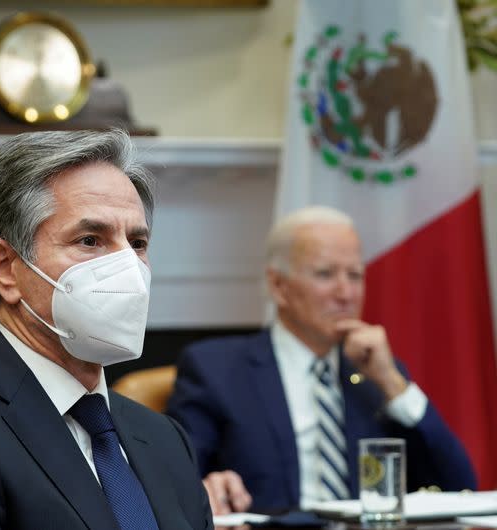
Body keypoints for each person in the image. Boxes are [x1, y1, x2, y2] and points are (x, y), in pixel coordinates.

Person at [0, 129, 213, 530]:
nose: (129, 269)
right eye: (90, 240)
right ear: (3, 268)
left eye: (136, 243)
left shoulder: (166, 438)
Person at [166, 206, 476, 515]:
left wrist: (395, 385)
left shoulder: (375, 377)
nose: (346, 293)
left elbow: (460, 488)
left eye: (355, 275)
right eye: (325, 274)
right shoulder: (216, 369)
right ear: (278, 286)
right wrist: (210, 485)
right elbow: (171, 486)